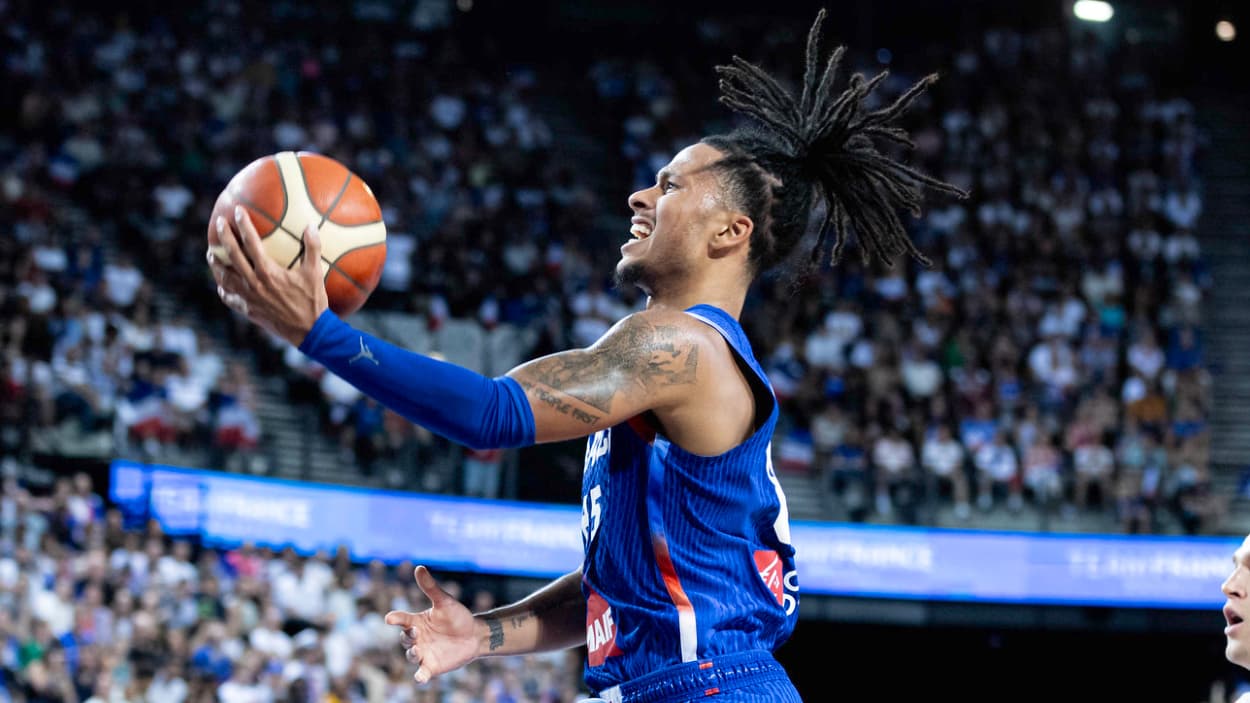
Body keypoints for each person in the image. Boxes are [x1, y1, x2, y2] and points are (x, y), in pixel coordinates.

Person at [206, 10, 963, 702]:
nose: (639, 195)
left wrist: (321, 335)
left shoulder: (678, 346)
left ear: (730, 232)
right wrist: (486, 633)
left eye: (668, 184)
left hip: (708, 688)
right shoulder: (672, 357)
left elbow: (490, 414)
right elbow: (616, 588)